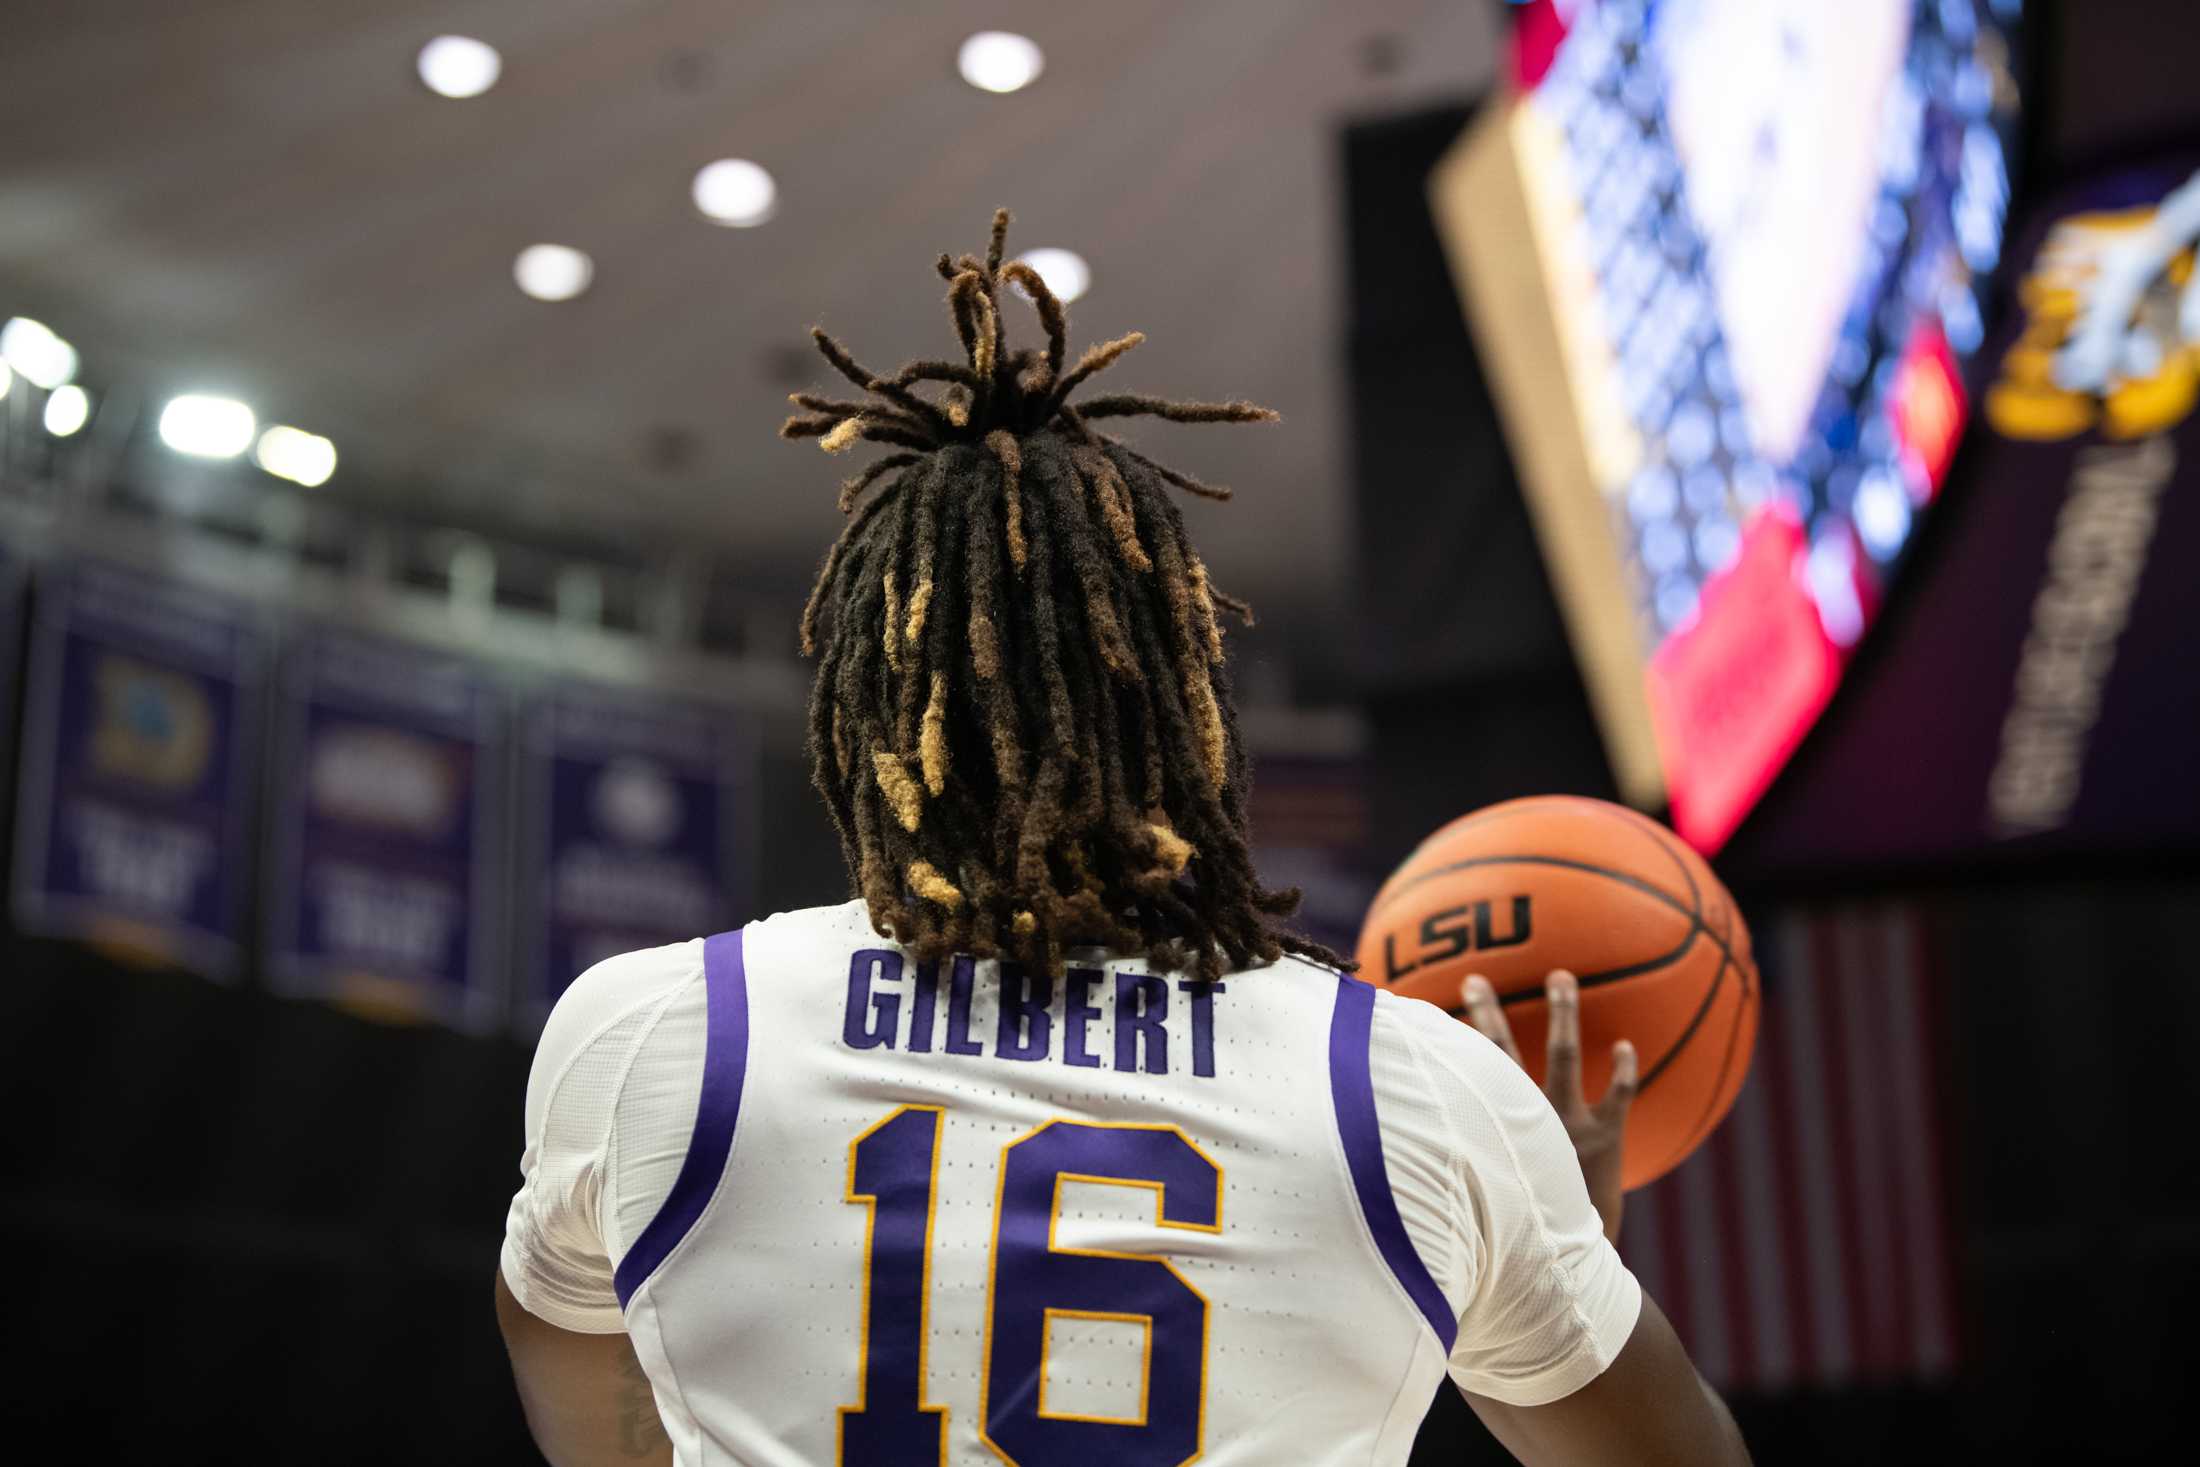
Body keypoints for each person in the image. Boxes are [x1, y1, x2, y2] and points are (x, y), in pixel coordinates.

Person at [494, 212, 1750, 1467]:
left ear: (865, 711)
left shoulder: (659, 1032)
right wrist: (1538, 1243)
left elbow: (592, 1416)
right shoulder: (1407, 1089)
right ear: (1179, 697)